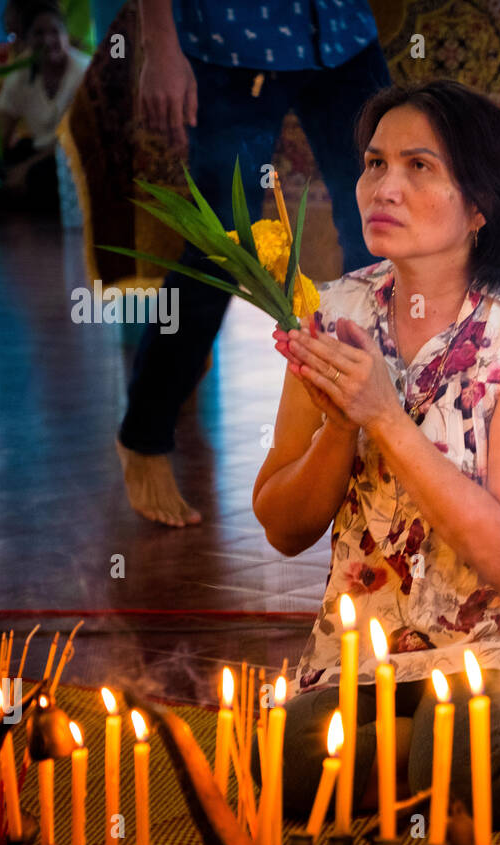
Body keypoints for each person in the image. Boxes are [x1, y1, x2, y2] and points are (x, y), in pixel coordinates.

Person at [254, 80, 500, 828]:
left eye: (419, 167)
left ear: (479, 206)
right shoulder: (334, 311)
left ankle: (425, 763)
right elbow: (281, 524)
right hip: (365, 659)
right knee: (281, 767)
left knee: (463, 755)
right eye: (375, 164)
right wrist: (341, 426)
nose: (385, 186)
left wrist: (385, 416)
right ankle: (418, 765)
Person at [116, 0, 390, 527]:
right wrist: (161, 46)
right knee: (221, 247)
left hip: (342, 31)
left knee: (380, 231)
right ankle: (144, 435)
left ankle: (381, 427)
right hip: (231, 40)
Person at [0, 2, 88, 211]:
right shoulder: (19, 75)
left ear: (66, 35)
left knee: (41, 176)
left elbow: (72, 139)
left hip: (72, 154)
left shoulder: (83, 73)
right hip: (38, 150)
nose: (48, 41)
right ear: (27, 39)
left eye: (55, 32)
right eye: (38, 33)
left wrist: (25, 169)